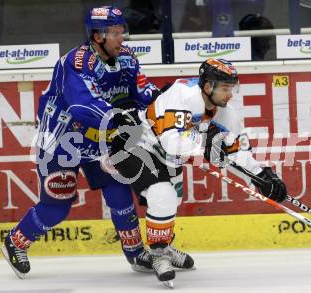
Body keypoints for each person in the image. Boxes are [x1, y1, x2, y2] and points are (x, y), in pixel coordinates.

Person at [1, 6, 160, 279]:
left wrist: (167, 101)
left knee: (120, 195)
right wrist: (121, 120)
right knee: (56, 207)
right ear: (97, 36)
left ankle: (135, 253)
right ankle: (15, 242)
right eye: (115, 32)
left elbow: (142, 91)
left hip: (102, 139)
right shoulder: (76, 62)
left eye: (122, 30)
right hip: (62, 140)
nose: (121, 37)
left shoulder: (128, 58)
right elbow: (82, 106)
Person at [110, 58, 288, 287]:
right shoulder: (182, 94)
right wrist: (207, 143)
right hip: (134, 144)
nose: (229, 95)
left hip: (167, 156)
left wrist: (261, 176)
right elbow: (172, 142)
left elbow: (236, 152)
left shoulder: (226, 113)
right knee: (162, 195)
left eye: (231, 88)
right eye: (225, 88)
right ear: (208, 86)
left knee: (172, 200)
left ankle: (163, 245)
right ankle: (158, 255)